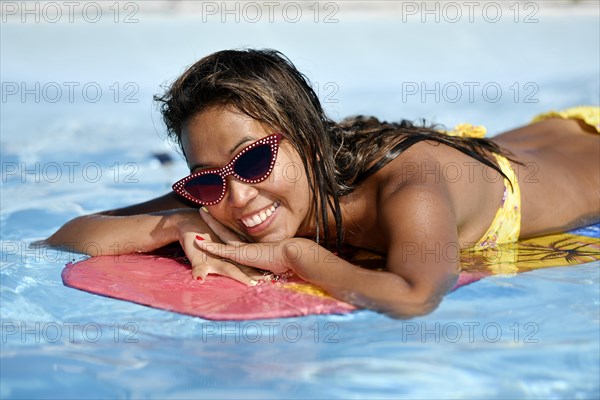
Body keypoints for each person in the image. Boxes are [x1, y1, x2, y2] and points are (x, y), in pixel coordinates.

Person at [43, 49, 600, 318]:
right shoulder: (225, 189)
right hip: (536, 137)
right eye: (208, 181)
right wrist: (180, 220)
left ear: (307, 139)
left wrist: (296, 254)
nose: (238, 198)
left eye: (255, 160)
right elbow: (70, 235)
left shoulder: (409, 188)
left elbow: (413, 298)